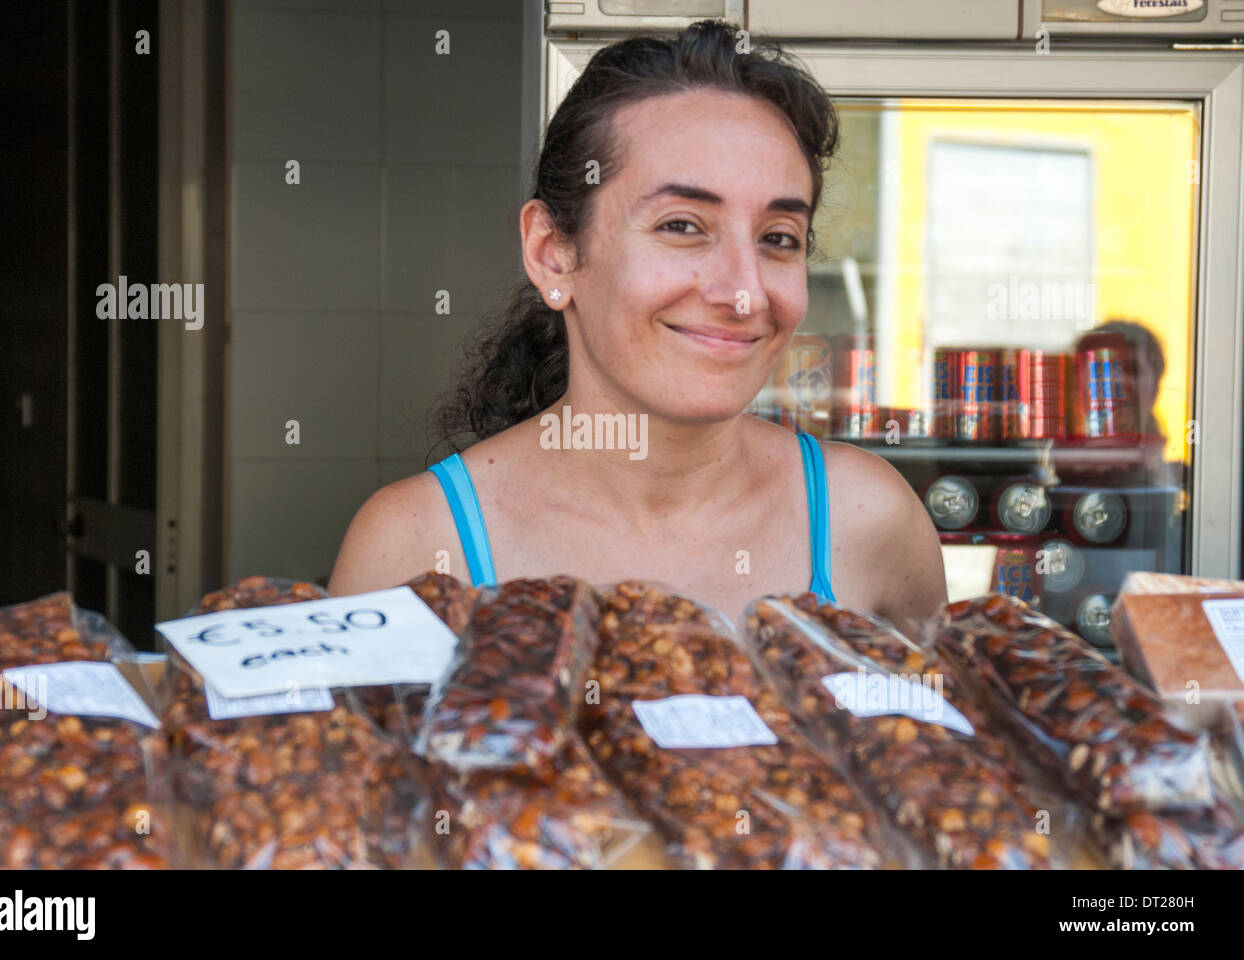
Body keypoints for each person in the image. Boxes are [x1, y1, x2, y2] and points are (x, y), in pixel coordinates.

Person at [330, 20, 947, 633]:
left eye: (778, 238)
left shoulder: (866, 519)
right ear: (553, 254)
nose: (743, 292)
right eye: (681, 226)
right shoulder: (416, 545)